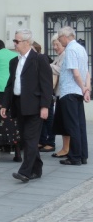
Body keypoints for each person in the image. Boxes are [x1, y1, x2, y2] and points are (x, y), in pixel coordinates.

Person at [1, 29, 52, 183]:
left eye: (17, 41)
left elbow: (47, 85)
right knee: (25, 139)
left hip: (35, 106)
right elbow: (10, 85)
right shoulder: (14, 62)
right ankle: (37, 168)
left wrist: (45, 106)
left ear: (27, 42)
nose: (14, 44)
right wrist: (5, 104)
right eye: (14, 41)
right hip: (19, 104)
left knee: (30, 139)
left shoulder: (39, 59)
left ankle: (25, 172)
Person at [57, 26, 90, 166]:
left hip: (69, 91)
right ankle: (82, 156)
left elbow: (76, 72)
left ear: (65, 36)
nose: (59, 40)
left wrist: (83, 87)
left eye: (59, 37)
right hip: (77, 92)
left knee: (72, 126)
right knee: (80, 125)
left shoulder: (70, 49)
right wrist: (86, 89)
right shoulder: (81, 48)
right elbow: (87, 72)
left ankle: (74, 157)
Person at [31, 42, 56, 152]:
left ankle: (50, 142)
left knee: (49, 119)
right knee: (42, 120)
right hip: (40, 93)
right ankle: (42, 141)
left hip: (47, 93)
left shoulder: (43, 58)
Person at [50, 35, 68, 157]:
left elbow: (61, 70)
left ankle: (67, 149)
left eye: (57, 45)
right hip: (60, 93)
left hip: (65, 93)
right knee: (62, 123)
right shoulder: (60, 56)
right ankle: (66, 148)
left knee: (65, 123)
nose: (55, 47)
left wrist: (47, 64)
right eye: (54, 45)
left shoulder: (66, 55)